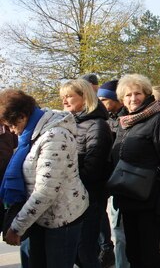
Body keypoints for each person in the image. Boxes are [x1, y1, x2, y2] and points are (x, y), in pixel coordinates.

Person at [0, 89, 89, 267]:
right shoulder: (32, 133)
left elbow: (46, 191)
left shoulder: (55, 136)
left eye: (11, 125)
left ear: (22, 116)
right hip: (40, 216)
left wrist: (17, 227)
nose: (11, 131)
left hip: (61, 217)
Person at [111, 74, 160, 268]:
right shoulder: (124, 122)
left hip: (150, 203)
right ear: (122, 99)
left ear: (147, 94)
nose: (133, 98)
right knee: (134, 256)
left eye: (138, 93)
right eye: (128, 95)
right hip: (127, 201)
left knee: (150, 259)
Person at [60, 79, 114, 268]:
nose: (65, 101)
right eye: (63, 97)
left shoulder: (97, 125)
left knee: (86, 253)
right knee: (77, 252)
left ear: (84, 97)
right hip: (75, 198)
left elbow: (93, 167)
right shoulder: (72, 123)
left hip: (90, 198)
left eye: (69, 96)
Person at [97, 80, 129, 268]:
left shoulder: (127, 119)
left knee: (121, 231)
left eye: (104, 99)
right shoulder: (106, 119)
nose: (101, 103)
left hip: (125, 182)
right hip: (112, 181)